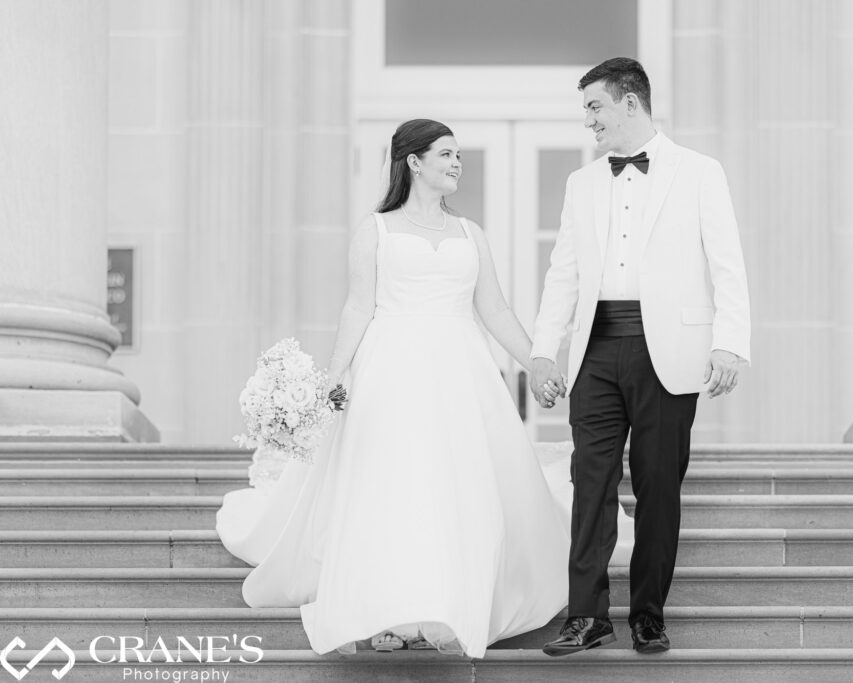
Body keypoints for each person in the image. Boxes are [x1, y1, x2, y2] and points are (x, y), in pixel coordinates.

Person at [215, 119, 634, 657]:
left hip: (461, 376)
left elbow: (495, 309)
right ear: (413, 161)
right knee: (397, 490)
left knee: (452, 489)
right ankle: (389, 609)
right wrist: (337, 375)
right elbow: (357, 306)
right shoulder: (376, 230)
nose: (457, 163)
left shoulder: (470, 234)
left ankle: (450, 602)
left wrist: (537, 360)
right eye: (446, 154)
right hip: (391, 372)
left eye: (459, 155)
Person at [531, 58, 751, 656]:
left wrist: (730, 340)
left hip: (670, 351)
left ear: (631, 103)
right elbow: (564, 274)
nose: (588, 121)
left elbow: (726, 264)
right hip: (596, 351)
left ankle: (648, 614)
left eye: (595, 107)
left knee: (659, 485)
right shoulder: (582, 183)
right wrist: (542, 353)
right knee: (590, 481)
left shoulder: (700, 173)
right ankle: (587, 616)